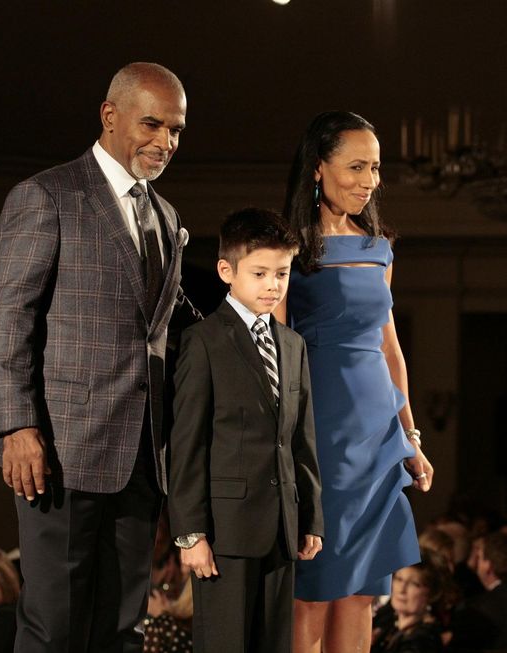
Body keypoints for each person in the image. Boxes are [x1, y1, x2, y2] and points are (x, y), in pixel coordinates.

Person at [0, 61, 200, 653]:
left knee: (121, 631)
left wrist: (255, 329)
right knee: (54, 629)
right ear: (109, 116)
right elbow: (6, 318)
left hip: (141, 458)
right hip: (60, 454)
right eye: (152, 124)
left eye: (176, 130)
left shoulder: (166, 216)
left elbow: (173, 323)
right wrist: (16, 426)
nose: (165, 142)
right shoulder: (47, 196)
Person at [280, 110, 433, 652]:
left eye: (375, 167)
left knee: (363, 591)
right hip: (323, 434)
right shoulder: (290, 249)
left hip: (378, 439)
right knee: (315, 587)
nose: (370, 181)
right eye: (357, 167)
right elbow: (277, 349)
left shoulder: (378, 247)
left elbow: (390, 350)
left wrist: (410, 437)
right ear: (318, 168)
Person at [168, 208, 324, 652]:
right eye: (259, 273)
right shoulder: (203, 341)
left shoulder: (292, 345)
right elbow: (187, 443)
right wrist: (191, 533)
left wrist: (311, 517)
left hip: (282, 528)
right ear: (226, 271)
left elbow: (301, 439)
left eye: (282, 273)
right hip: (225, 532)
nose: (273, 285)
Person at [370, 552, 450, 653]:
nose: (401, 589)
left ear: (432, 593)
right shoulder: (390, 625)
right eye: (399, 579)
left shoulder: (423, 641)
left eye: (414, 584)